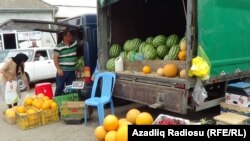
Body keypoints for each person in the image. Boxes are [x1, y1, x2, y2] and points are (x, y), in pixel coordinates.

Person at [53, 29, 80, 96]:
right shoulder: (59, 46)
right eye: (69, 36)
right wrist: (58, 69)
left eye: (72, 36)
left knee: (70, 88)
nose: (71, 37)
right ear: (64, 37)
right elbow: (55, 58)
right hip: (62, 71)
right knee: (59, 88)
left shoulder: (74, 44)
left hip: (72, 72)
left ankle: (69, 103)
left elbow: (82, 41)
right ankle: (56, 103)